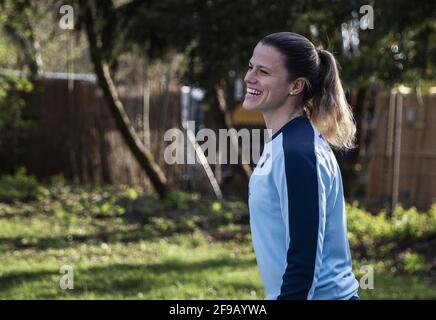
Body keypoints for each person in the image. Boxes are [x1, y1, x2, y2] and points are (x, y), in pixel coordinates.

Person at [243, 32, 360, 300]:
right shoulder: (284, 143)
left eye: (263, 72)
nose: (249, 77)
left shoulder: (297, 152)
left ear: (295, 86)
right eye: (251, 67)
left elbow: (304, 257)